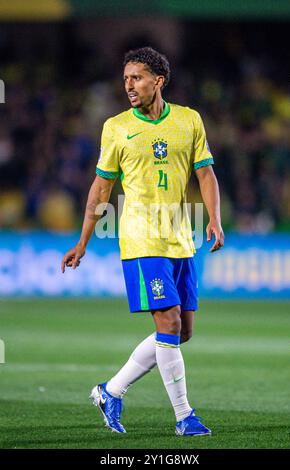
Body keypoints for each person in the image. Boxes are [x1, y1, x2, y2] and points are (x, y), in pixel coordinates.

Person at [61, 47, 224, 436]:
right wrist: (82, 241)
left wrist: (214, 219)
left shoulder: (189, 120)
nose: (128, 86)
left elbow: (205, 174)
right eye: (125, 79)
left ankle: (110, 390)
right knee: (167, 322)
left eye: (136, 78)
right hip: (140, 238)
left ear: (158, 80)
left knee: (182, 332)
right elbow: (100, 189)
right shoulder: (116, 127)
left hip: (180, 239)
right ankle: (185, 417)